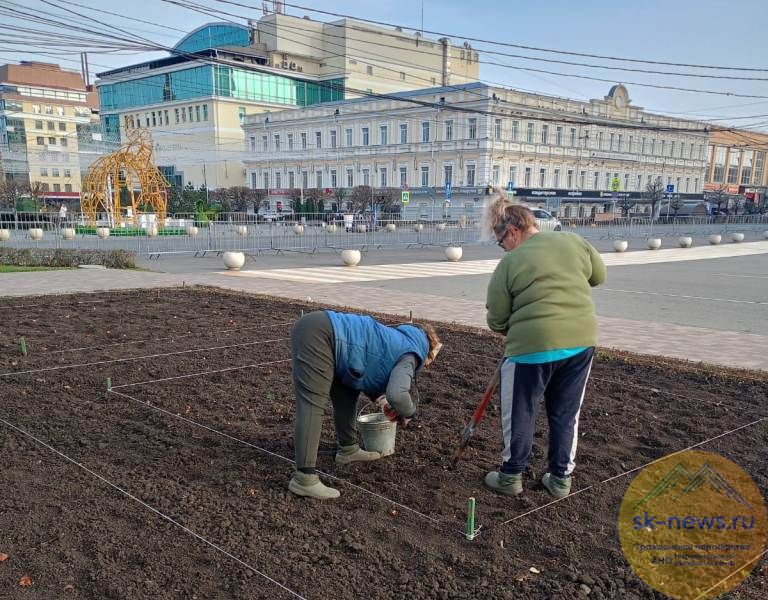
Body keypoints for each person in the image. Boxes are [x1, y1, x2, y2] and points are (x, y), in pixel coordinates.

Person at [483, 192, 606, 499]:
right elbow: (598, 276)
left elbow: (496, 320)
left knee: (521, 410)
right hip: (581, 342)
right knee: (566, 412)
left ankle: (511, 476)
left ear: (512, 232)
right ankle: (560, 479)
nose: (503, 250)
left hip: (530, 347)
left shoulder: (510, 263)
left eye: (501, 243)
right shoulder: (574, 242)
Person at [288, 310, 442, 499]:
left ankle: (348, 450)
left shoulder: (395, 340)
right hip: (320, 334)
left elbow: (369, 366)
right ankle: (304, 479)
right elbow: (398, 394)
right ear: (429, 350)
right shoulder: (411, 354)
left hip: (327, 336)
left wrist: (381, 399)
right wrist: (410, 413)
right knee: (312, 403)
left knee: (347, 392)